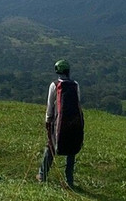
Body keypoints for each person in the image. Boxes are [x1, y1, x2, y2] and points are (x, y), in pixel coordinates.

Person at [37, 58, 84, 187]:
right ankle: (69, 180)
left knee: (51, 146)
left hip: (58, 122)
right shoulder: (75, 85)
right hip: (74, 123)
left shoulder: (54, 85)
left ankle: (42, 175)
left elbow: (50, 105)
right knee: (72, 149)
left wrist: (48, 120)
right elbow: (78, 103)